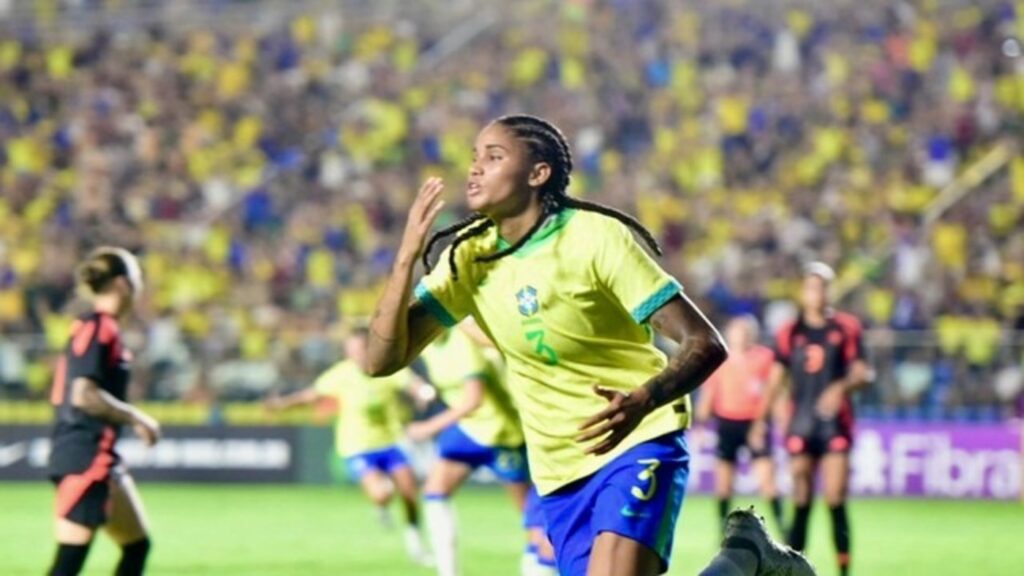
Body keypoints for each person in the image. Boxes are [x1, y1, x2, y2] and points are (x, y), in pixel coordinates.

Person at [364, 113, 737, 576]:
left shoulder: (596, 238)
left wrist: (644, 400)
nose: (475, 168)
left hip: (640, 436)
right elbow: (380, 362)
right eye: (475, 157)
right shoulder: (468, 257)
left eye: (494, 157)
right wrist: (405, 260)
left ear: (538, 174)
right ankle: (742, 564)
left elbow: (705, 342)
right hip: (558, 467)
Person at [265, 327, 431, 566]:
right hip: (358, 446)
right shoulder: (341, 374)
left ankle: (414, 540)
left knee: (409, 492)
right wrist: (282, 405)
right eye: (351, 350)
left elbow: (412, 383)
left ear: (370, 348)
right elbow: (311, 395)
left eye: (360, 349)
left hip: (391, 441)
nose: (356, 355)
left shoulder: (386, 368)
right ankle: (381, 506)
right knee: (382, 494)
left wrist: (423, 393)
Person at [47, 247, 161, 576]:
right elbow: (83, 394)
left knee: (137, 545)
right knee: (68, 562)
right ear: (124, 284)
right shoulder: (100, 327)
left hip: (101, 457)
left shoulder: (98, 326)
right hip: (86, 457)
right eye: (138, 279)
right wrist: (136, 417)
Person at [750, 262, 870, 576]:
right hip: (801, 421)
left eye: (822, 286)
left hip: (835, 422)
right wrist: (760, 421)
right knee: (801, 499)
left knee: (835, 498)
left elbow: (863, 372)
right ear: (803, 292)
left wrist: (840, 387)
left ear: (830, 291)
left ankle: (844, 570)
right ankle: (795, 569)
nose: (816, 293)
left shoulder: (847, 328)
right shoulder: (790, 332)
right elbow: (776, 380)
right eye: (810, 287)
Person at [410, 323, 554, 576]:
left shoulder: (463, 341)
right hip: (468, 431)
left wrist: (429, 427)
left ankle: (541, 563)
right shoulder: (428, 347)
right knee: (435, 490)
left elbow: (473, 399)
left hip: (501, 432)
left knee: (534, 517)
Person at [695, 315, 783, 536]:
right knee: (724, 485)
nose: (740, 337)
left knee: (767, 482)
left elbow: (776, 389)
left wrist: (775, 419)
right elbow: (709, 393)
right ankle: (722, 531)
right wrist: (701, 423)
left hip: (755, 423)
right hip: (727, 423)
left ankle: (783, 529)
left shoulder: (764, 358)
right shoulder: (721, 360)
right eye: (736, 332)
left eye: (744, 332)